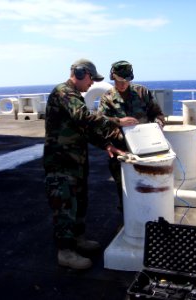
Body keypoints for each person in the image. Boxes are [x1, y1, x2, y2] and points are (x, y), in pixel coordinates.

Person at [43, 58, 138, 270]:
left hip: (75, 162)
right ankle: (65, 252)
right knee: (65, 205)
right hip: (61, 163)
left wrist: (107, 145)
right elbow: (84, 117)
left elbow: (82, 129)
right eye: (91, 79)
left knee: (79, 202)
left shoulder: (75, 95)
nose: (92, 84)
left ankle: (77, 240)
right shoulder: (63, 92)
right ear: (79, 73)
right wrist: (117, 121)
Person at [97, 60, 165, 210]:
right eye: (119, 81)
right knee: (125, 191)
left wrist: (157, 125)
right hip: (122, 151)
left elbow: (158, 114)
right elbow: (100, 121)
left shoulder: (142, 92)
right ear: (112, 78)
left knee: (148, 186)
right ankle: (127, 223)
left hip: (146, 149)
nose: (123, 84)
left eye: (126, 81)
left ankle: (149, 217)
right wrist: (119, 122)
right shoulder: (107, 98)